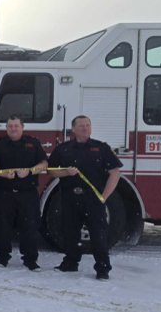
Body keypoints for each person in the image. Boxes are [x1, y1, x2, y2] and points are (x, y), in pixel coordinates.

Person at [48, 115, 122, 280]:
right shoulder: (63, 148)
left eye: (87, 125)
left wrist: (104, 197)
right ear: (73, 129)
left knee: (98, 235)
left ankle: (102, 269)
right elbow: (50, 171)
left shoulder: (101, 148)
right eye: (81, 126)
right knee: (70, 233)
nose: (85, 129)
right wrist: (66, 172)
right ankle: (70, 263)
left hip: (93, 199)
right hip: (69, 197)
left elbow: (115, 172)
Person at [0, 115, 48, 271]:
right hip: (4, 192)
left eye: (16, 126)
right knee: (2, 227)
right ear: (6, 128)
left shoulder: (33, 143)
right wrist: (2, 174)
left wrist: (29, 172)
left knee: (30, 227)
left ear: (22, 127)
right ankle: (2, 258)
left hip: (27, 193)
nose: (13, 129)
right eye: (10, 126)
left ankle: (30, 260)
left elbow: (44, 163)